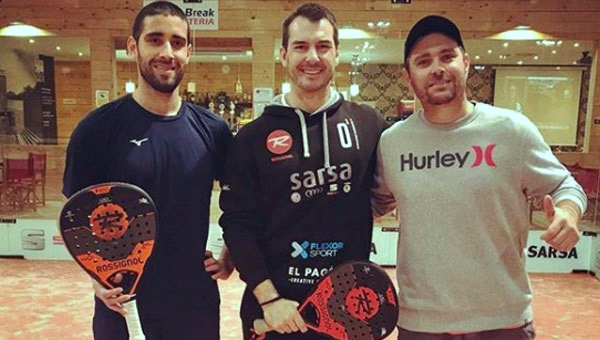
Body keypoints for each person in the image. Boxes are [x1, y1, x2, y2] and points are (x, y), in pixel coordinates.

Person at [372, 15, 587, 340]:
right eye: (423, 61)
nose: (438, 68)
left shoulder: (511, 130)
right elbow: (372, 204)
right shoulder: (392, 143)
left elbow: (564, 185)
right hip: (421, 325)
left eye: (447, 56)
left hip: (503, 322)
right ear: (407, 76)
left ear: (466, 62)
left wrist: (569, 213)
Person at [62, 2, 233, 339]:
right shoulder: (97, 129)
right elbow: (75, 216)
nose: (167, 52)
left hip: (194, 303)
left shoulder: (213, 130)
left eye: (177, 42)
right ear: (132, 47)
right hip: (123, 302)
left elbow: (241, 199)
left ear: (189, 52)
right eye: (155, 39)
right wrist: (97, 279)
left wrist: (230, 254)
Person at [218, 3, 387, 339]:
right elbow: (237, 223)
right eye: (300, 46)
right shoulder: (251, 137)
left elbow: (389, 193)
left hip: (348, 310)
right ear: (283, 55)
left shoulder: (370, 125)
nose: (312, 57)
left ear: (337, 54)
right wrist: (270, 300)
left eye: (323, 46)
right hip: (275, 314)